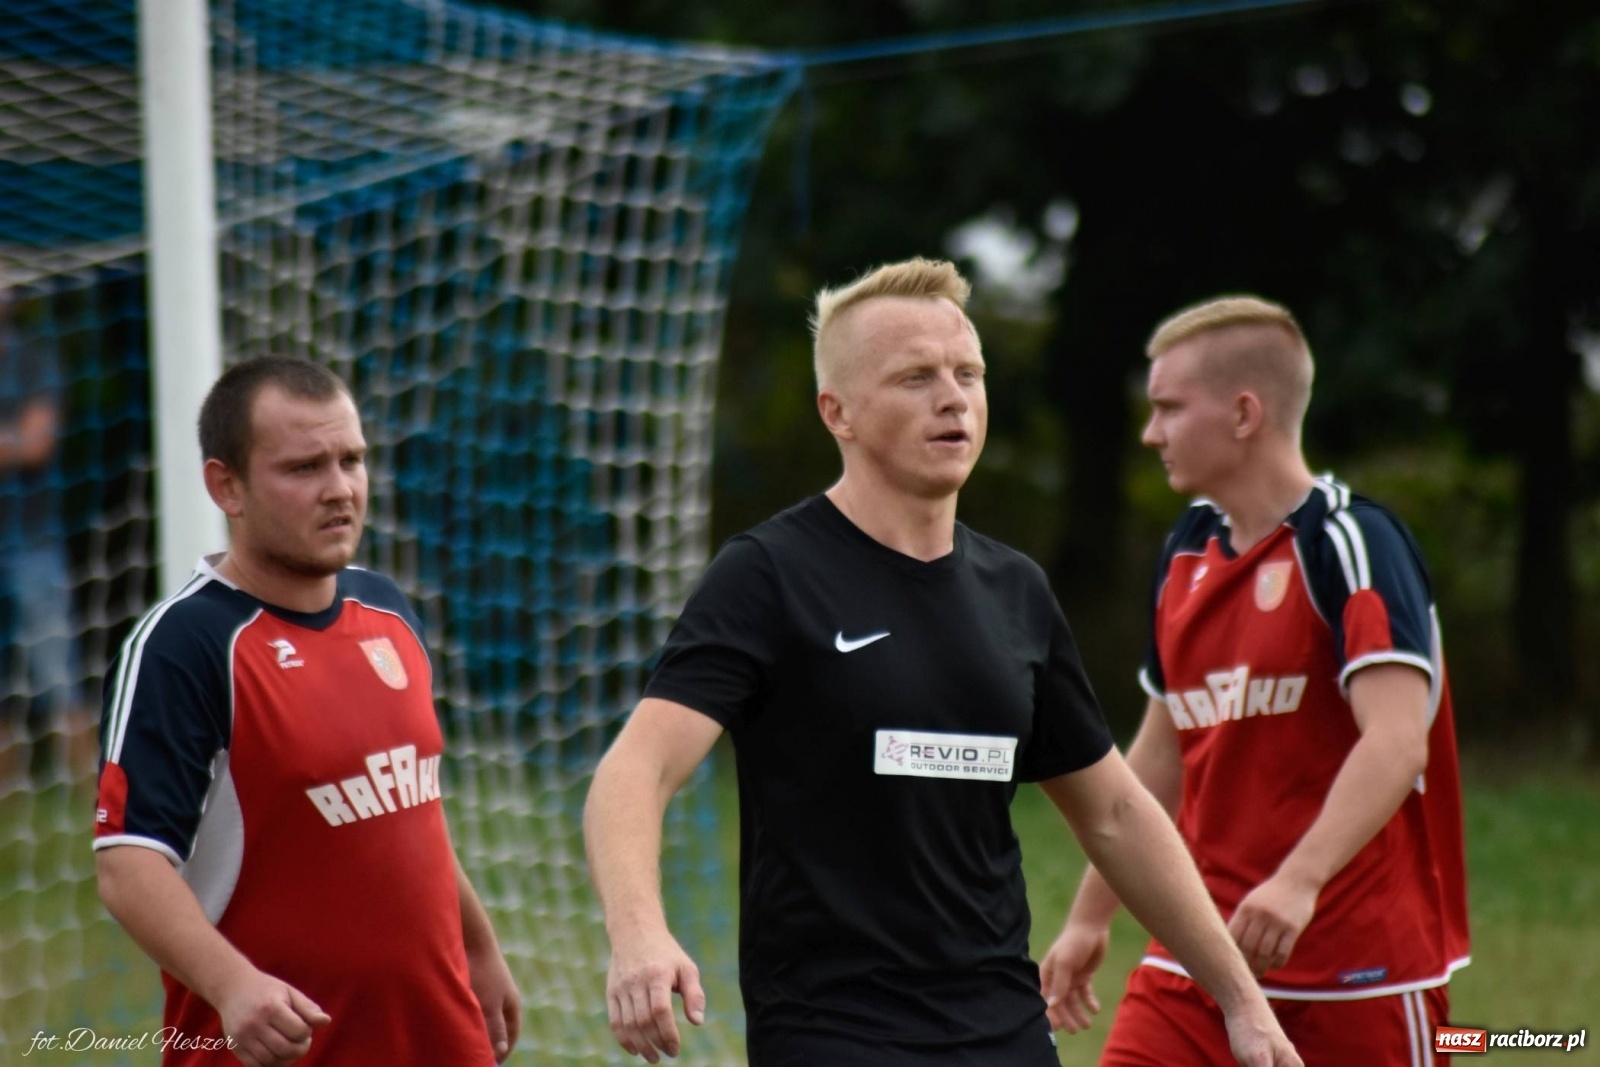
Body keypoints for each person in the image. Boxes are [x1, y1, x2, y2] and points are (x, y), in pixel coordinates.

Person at [584, 258, 1301, 1067]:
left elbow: (1116, 813)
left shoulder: (1016, 591)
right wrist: (638, 931)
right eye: (915, 376)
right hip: (835, 1035)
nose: (953, 396)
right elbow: (634, 771)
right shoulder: (768, 576)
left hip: (1005, 1030)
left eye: (968, 372)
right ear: (838, 412)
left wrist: (1241, 999)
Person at [1040, 296, 1470, 1066]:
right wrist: (1089, 917)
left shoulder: (1351, 542)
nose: (1150, 432)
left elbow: (1399, 740)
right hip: (1197, 962)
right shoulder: (1185, 551)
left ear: (1244, 413)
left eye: (1169, 408)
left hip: (1357, 974)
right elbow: (1160, 755)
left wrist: (1297, 881)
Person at [93, 357, 521, 1066]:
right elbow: (128, 864)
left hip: (440, 1039)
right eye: (304, 468)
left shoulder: (386, 608)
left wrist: (478, 946)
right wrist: (233, 985)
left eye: (352, 460)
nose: (340, 490)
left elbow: (405, 807)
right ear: (225, 485)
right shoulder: (185, 644)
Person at [0, 279, 81, 784]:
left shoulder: (32, 359)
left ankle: (89, 792)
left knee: (57, 671)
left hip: (31, 541)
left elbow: (35, 444)